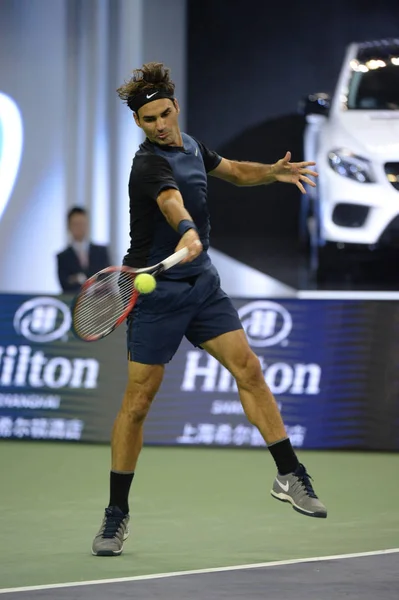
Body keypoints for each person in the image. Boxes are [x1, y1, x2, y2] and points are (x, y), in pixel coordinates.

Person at [92, 62, 327, 557]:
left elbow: (236, 172)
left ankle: (289, 474)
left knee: (250, 369)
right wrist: (188, 232)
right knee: (137, 404)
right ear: (138, 123)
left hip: (201, 286)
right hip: (156, 296)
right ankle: (116, 514)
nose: (159, 123)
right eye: (149, 118)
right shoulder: (147, 163)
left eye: (164, 113)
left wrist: (273, 173)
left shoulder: (194, 146)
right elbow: (172, 200)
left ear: (175, 108)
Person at [57, 207, 111, 293]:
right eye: (76, 224)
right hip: (75, 302)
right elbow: (65, 284)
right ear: (69, 226)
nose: (79, 228)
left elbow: (107, 278)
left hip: (100, 302)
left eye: (82, 224)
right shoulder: (62, 257)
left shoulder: (101, 252)